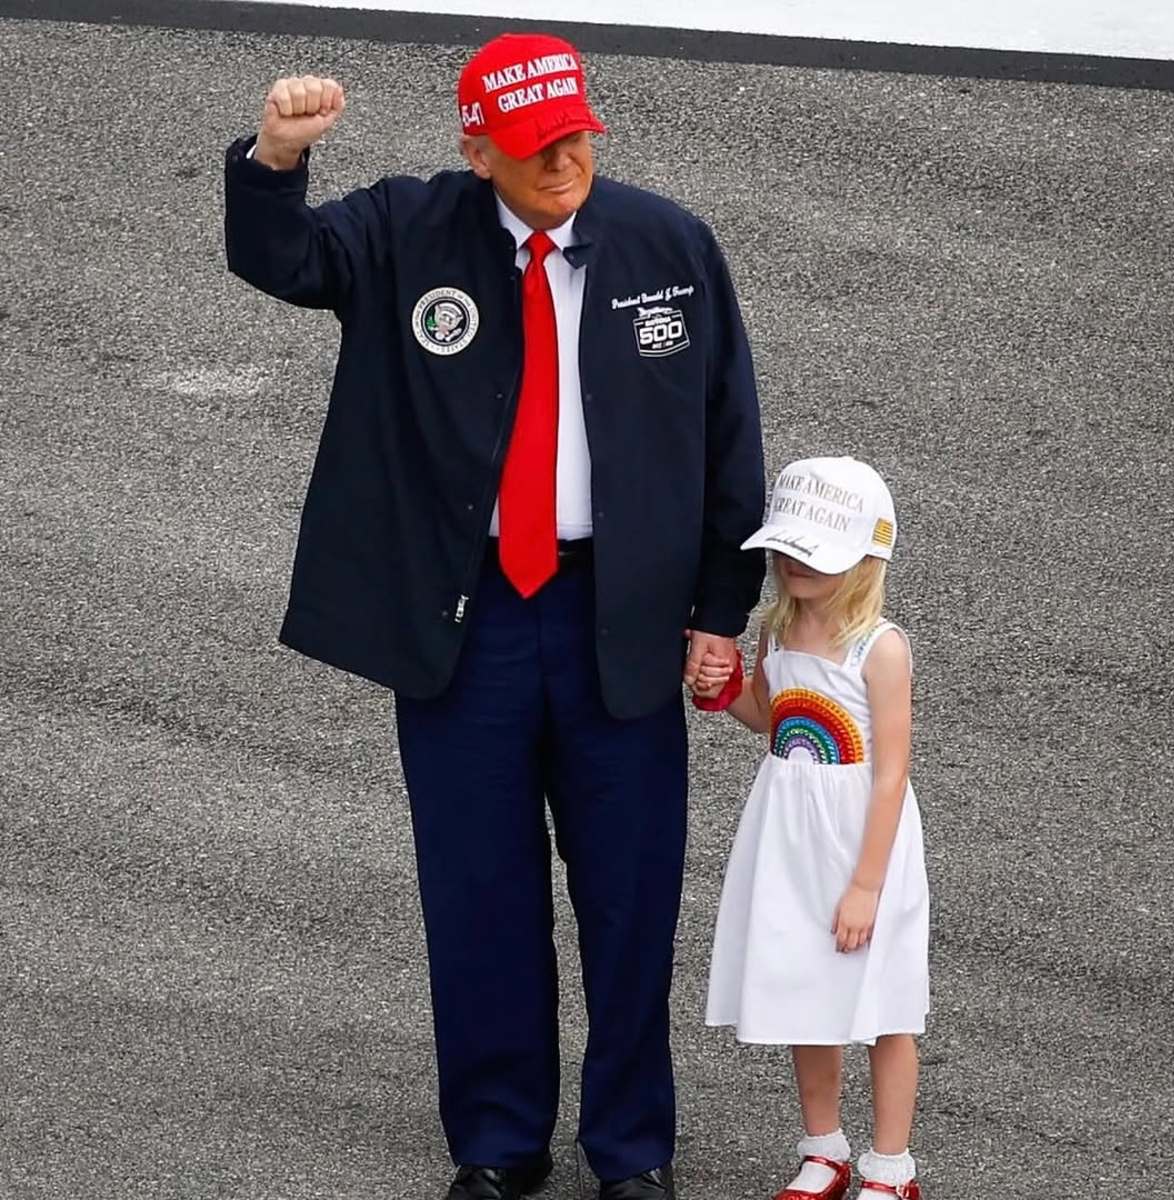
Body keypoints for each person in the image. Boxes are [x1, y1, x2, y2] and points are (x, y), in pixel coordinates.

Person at [222, 32, 765, 1200]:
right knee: (479, 892)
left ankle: (632, 1152)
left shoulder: (670, 245)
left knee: (630, 898)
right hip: (466, 623)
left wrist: (723, 609)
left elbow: (731, 434)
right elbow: (282, 257)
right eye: (532, 145)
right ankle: (498, 1143)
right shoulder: (408, 229)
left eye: (575, 134)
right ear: (479, 149)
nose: (562, 158)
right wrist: (273, 159)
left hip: (616, 616)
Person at [702, 457, 929, 1200]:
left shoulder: (880, 647)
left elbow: (890, 771)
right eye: (787, 550)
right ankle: (823, 1149)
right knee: (806, 986)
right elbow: (778, 723)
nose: (795, 564)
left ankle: (890, 1169)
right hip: (789, 832)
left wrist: (867, 884)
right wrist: (722, 689)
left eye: (816, 551)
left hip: (863, 840)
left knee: (888, 1004)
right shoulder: (779, 629)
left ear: (867, 558)